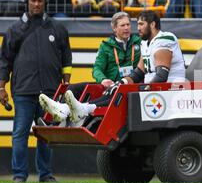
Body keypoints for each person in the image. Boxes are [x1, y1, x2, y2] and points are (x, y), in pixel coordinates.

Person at [39, 10, 186, 126]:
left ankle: (74, 109)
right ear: (114, 28)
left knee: (118, 93)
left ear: (152, 25)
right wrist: (120, 82)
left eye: (139, 24)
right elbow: (138, 72)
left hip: (164, 89)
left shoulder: (163, 39)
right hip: (140, 85)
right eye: (125, 25)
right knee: (102, 88)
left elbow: (161, 76)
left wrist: (141, 89)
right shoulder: (142, 43)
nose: (135, 28)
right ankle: (62, 110)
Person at [0, 0, 72, 183]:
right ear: (27, 3)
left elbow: (66, 57)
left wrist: (66, 84)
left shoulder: (57, 29)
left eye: (40, 1)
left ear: (45, 3)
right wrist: (2, 87)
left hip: (50, 92)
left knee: (46, 135)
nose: (37, 4)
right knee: (20, 133)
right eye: (33, 1)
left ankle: (45, 174)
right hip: (23, 91)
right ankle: (19, 175)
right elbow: (4, 61)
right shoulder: (14, 30)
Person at [46, 11, 141, 107]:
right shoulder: (106, 46)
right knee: (72, 88)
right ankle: (61, 112)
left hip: (129, 85)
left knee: (109, 95)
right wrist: (103, 80)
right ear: (114, 28)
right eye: (122, 25)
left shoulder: (139, 43)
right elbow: (97, 69)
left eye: (128, 24)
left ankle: (81, 109)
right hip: (110, 84)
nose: (126, 28)